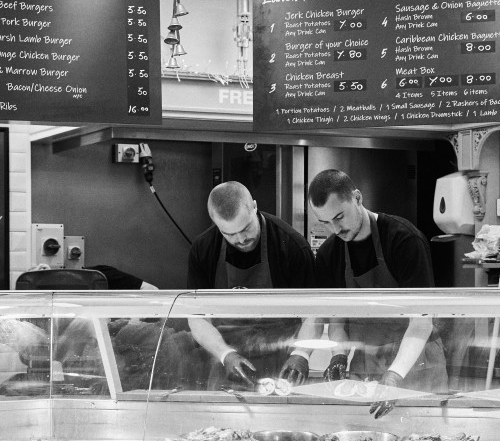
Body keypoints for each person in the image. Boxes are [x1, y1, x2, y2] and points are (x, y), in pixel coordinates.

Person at [308, 169, 447, 417]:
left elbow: (421, 322)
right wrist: (338, 355)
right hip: (366, 363)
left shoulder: (404, 240)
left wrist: (394, 376)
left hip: (417, 364)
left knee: (425, 439)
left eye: (339, 217)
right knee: (366, 440)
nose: (335, 229)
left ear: (358, 198)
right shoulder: (330, 253)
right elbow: (337, 320)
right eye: (325, 222)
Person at [186, 181, 315, 388]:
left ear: (254, 206)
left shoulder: (291, 246)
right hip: (225, 361)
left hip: (282, 360)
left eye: (246, 228)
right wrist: (225, 354)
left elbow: (313, 313)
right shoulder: (203, 249)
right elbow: (196, 318)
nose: (241, 239)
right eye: (229, 234)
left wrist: (301, 354)